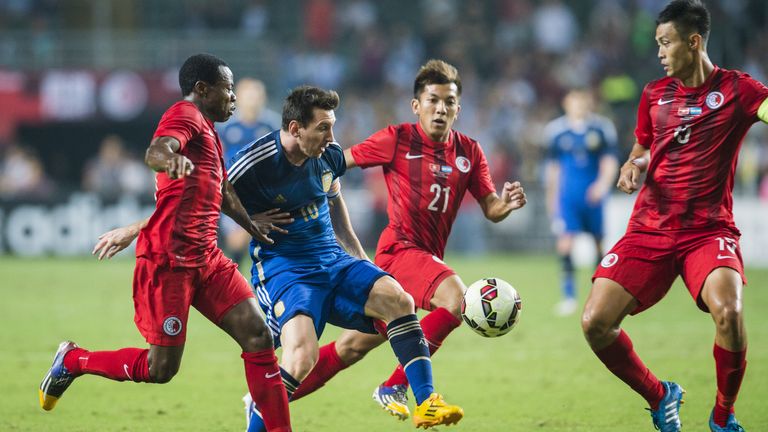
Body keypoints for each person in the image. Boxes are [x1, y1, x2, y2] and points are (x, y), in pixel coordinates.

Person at [94, 85, 465, 430]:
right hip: (285, 269)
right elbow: (197, 200)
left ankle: (426, 400)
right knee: (302, 357)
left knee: (398, 299)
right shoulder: (253, 163)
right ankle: (259, 409)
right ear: (295, 128)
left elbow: (337, 211)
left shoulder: (328, 157)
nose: (332, 139)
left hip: (333, 260)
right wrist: (135, 229)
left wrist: (363, 262)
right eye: (323, 128)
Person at [38, 53, 292, 432]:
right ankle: (74, 360)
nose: (234, 98)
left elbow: (221, 191)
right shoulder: (185, 115)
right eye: (228, 88)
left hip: (208, 258)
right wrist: (167, 160)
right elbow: (156, 150)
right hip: (170, 264)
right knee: (161, 369)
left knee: (259, 336)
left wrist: (252, 227)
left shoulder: (209, 131)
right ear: (203, 90)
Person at [284, 59, 527, 422]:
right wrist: (291, 186)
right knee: (456, 299)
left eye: (448, 101)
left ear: (458, 108)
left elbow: (490, 207)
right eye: (432, 100)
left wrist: (505, 204)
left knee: (351, 347)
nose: (440, 108)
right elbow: (335, 161)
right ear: (417, 106)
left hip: (424, 259)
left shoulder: (470, 152)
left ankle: (266, 399)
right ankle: (400, 387)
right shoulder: (397, 138)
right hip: (399, 251)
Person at [581, 1, 768, 431]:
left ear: (694, 41)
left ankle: (723, 416)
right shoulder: (653, 94)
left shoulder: (737, 90)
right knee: (595, 323)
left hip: (707, 230)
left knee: (729, 312)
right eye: (658, 44)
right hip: (650, 227)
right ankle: (659, 394)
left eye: (666, 43)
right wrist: (632, 166)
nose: (660, 52)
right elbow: (642, 150)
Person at [544, 88, 618, 316]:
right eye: (574, 101)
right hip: (568, 198)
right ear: (567, 103)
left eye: (582, 100)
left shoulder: (601, 128)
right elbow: (553, 170)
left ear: (589, 102)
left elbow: (610, 161)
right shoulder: (556, 131)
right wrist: (552, 201)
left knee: (598, 244)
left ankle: (600, 297)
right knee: (565, 243)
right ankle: (568, 297)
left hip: (593, 197)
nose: (579, 105)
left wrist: (602, 185)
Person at [218, 78, 281, 265]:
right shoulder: (225, 127)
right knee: (235, 243)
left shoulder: (273, 126)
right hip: (234, 193)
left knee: (268, 242)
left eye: (257, 94)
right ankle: (236, 284)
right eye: (248, 95)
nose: (253, 99)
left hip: (266, 193)